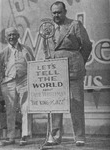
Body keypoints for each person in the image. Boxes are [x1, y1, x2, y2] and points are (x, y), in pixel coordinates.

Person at [42, 1, 92, 147]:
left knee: (76, 103)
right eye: (54, 13)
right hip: (55, 71)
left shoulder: (75, 25)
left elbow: (87, 45)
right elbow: (46, 48)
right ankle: (55, 136)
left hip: (73, 70)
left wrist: (78, 61)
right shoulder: (47, 28)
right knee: (55, 103)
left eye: (59, 12)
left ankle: (79, 137)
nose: (56, 15)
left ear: (65, 12)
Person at [0, 27, 35, 146]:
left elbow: (33, 64)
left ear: (18, 36)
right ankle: (11, 137)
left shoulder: (26, 49)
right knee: (10, 110)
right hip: (9, 82)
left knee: (26, 108)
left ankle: (24, 135)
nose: (12, 37)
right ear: (6, 38)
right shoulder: (3, 52)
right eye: (9, 35)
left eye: (14, 35)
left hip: (24, 80)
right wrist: (2, 81)